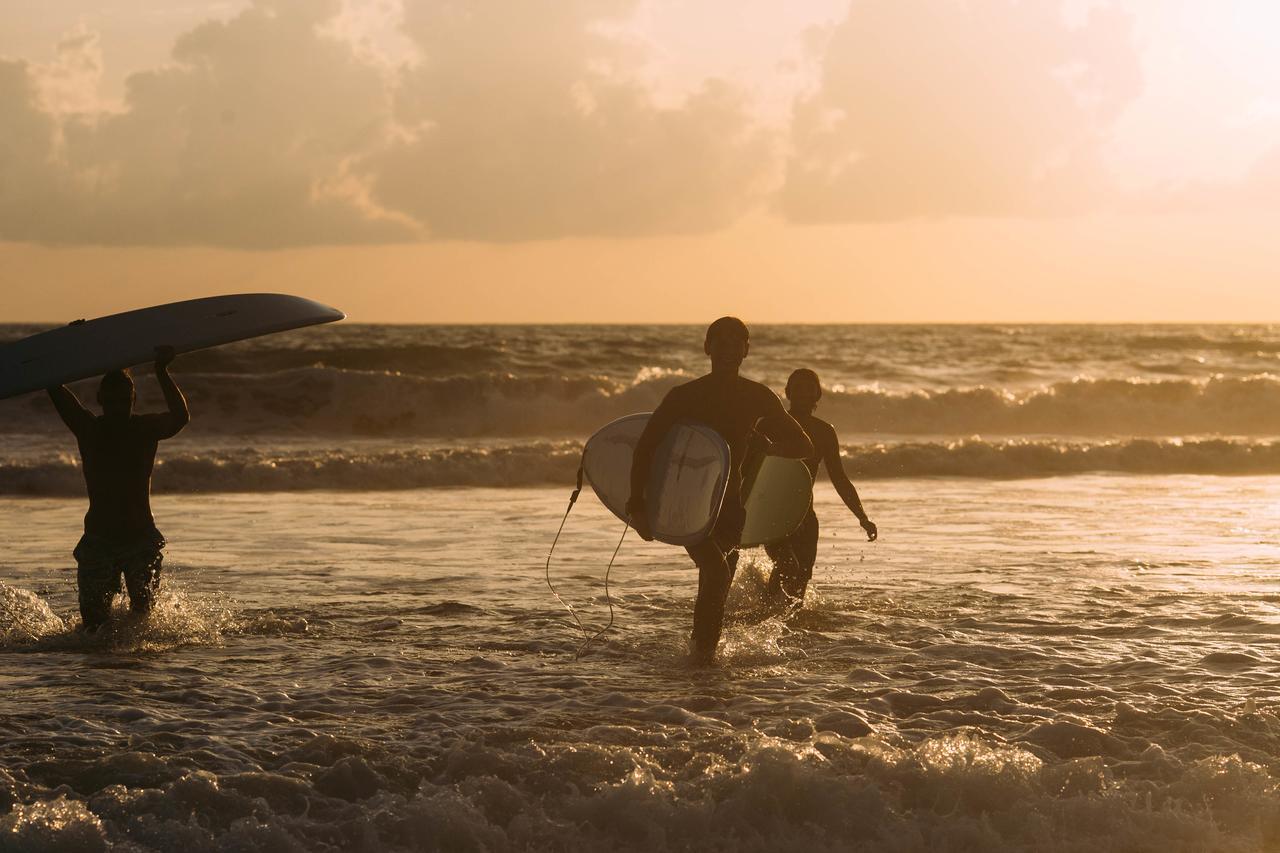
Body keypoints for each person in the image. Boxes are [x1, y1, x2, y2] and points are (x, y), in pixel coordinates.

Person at [628, 318, 814, 663]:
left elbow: (802, 444)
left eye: (736, 343)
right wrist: (637, 503)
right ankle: (702, 661)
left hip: (731, 507)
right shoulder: (685, 396)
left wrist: (768, 446)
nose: (728, 350)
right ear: (707, 348)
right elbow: (647, 447)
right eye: (721, 342)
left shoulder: (757, 396)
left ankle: (701, 659)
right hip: (685, 501)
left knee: (717, 582)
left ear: (746, 350)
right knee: (716, 572)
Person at [47, 346, 190, 631]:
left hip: (140, 538)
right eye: (111, 400)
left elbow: (180, 417)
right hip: (99, 540)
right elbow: (54, 386)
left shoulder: (145, 429)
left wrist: (161, 371)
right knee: (93, 627)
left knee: (143, 621)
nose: (117, 405)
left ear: (133, 399)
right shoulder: (89, 428)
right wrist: (78, 341)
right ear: (100, 400)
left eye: (124, 400)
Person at [764, 368, 876, 608]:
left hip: (805, 518)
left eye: (809, 388)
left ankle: (784, 628)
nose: (803, 393)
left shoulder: (825, 432)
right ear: (788, 392)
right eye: (798, 387)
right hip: (773, 516)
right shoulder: (771, 425)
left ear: (817, 394)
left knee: (801, 580)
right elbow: (748, 469)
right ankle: (761, 614)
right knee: (787, 567)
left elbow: (840, 479)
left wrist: (862, 517)